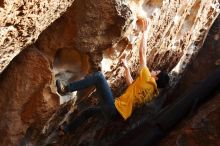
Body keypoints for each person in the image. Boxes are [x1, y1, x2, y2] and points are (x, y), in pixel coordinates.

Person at [56, 18, 170, 134]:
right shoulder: (151, 93)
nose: (153, 71)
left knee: (99, 77)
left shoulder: (148, 79)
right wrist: (126, 69)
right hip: (116, 116)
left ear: (156, 78)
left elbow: (142, 54)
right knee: (88, 112)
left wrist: (145, 33)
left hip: (114, 108)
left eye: (156, 72)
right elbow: (131, 85)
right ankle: (66, 130)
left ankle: (66, 89)